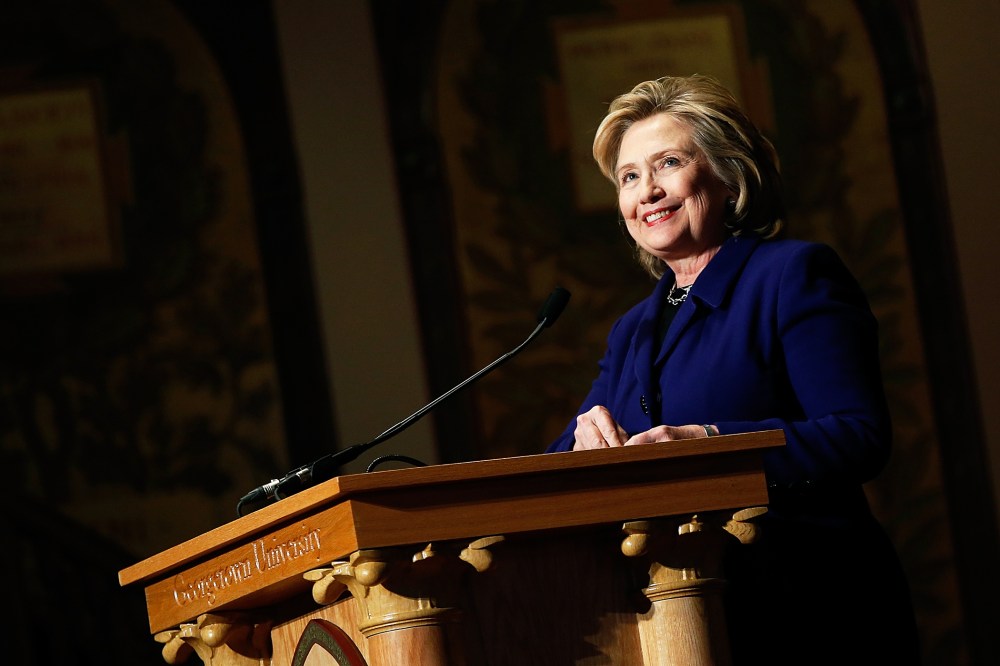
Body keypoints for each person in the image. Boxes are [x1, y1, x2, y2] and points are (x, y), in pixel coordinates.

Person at [545, 74, 920, 664]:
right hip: (681, 620)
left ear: (726, 175)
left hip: (809, 606)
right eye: (629, 176)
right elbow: (563, 463)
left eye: (667, 163)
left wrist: (712, 444)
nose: (647, 191)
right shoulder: (634, 328)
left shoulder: (792, 275)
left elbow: (858, 435)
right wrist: (579, 443)